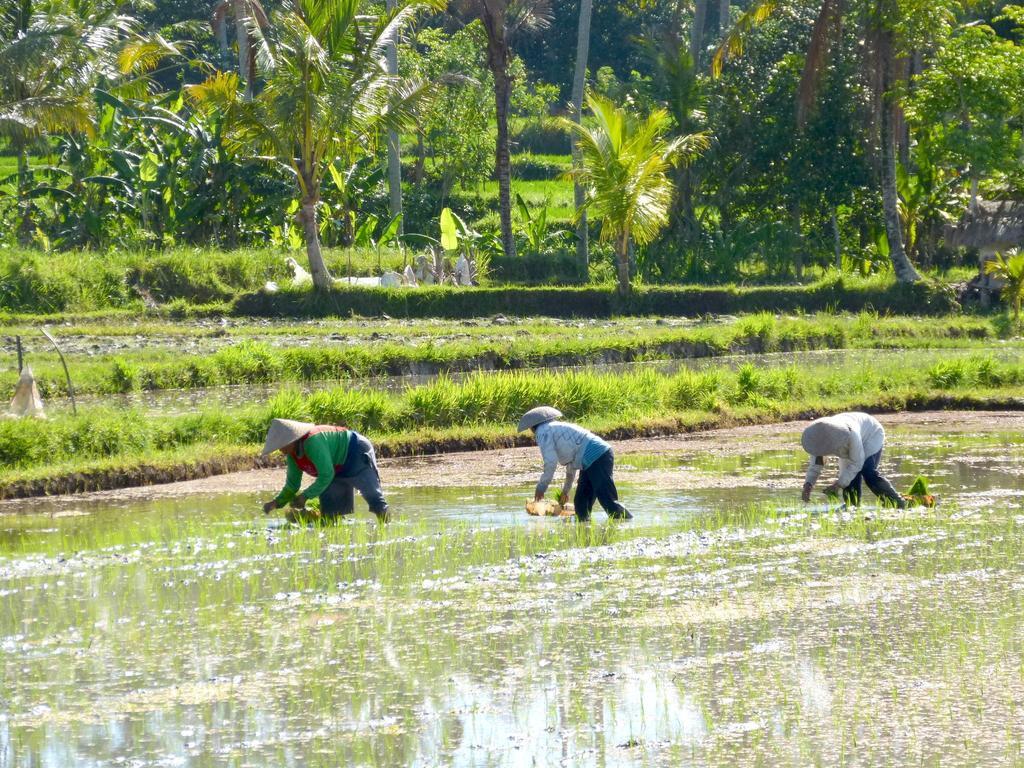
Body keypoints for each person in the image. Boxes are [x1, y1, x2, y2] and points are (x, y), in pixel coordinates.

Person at [260, 419, 389, 522]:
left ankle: (386, 529)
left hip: (355, 452)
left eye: (282, 445)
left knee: (374, 499)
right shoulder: (292, 455)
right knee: (331, 513)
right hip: (335, 467)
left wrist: (305, 496)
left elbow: (326, 474)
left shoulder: (313, 442)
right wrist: (276, 503)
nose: (280, 450)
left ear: (292, 440)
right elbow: (292, 485)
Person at [517, 406, 631, 522]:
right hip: (591, 460)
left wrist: (541, 488)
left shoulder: (543, 432)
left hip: (598, 455)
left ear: (532, 427)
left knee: (607, 500)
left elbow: (550, 463)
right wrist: (565, 492)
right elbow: (571, 465)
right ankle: (585, 532)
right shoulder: (554, 428)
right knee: (581, 504)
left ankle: (628, 524)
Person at [800, 411, 905, 508]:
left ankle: (897, 502)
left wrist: (838, 485)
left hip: (871, 435)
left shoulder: (850, 434)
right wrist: (808, 485)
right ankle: (852, 506)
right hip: (852, 441)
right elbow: (817, 464)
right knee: (849, 477)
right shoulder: (818, 441)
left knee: (868, 472)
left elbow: (857, 462)